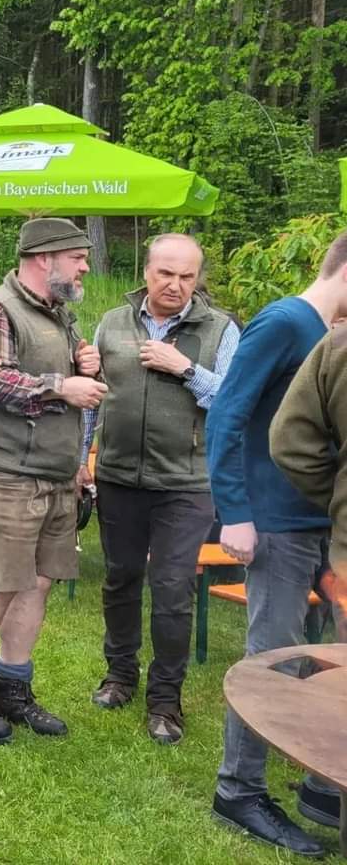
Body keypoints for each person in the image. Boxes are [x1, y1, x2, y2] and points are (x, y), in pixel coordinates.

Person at [0, 218, 106, 742]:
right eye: (77, 257)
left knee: (38, 581)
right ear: (44, 257)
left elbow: (74, 388)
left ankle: (10, 684)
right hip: (1, 470)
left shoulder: (60, 315)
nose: (84, 267)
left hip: (53, 473)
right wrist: (62, 385)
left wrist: (84, 364)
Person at [204, 233, 347, 857]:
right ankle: (239, 790)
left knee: (330, 658)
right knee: (277, 658)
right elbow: (226, 414)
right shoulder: (286, 321)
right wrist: (235, 512)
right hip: (274, 523)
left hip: (324, 524)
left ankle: (323, 781)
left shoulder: (323, 330)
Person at [84, 234, 238, 744]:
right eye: (165, 273)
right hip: (118, 475)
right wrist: (82, 456)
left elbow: (233, 403)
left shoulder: (220, 330)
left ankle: (165, 700)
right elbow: (93, 398)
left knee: (172, 590)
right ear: (146, 272)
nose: (175, 285)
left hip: (186, 483)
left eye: (186, 276)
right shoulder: (112, 322)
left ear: (198, 279)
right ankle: (119, 675)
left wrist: (187, 369)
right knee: (120, 577)